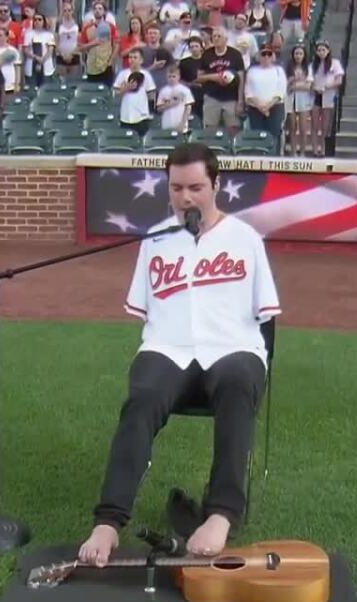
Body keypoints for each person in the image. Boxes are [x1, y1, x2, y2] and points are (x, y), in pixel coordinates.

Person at [77, 142, 281, 567]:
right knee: (143, 398)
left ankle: (222, 513)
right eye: (176, 188)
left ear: (216, 185)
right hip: (167, 346)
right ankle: (109, 521)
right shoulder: (156, 239)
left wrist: (249, 351)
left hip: (232, 346)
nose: (185, 197)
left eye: (196, 187)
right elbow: (145, 310)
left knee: (238, 381)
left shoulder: (246, 239)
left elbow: (264, 315)